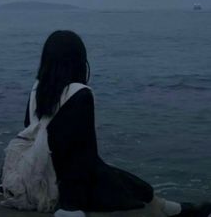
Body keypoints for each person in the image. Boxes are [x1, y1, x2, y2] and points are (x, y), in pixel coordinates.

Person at [24, 30, 211, 217]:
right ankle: (184, 211)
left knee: (137, 187)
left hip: (35, 177)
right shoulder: (80, 94)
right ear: (79, 60)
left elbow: (30, 136)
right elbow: (86, 157)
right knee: (140, 192)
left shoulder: (36, 90)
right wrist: (74, 204)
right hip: (66, 187)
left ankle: (179, 209)